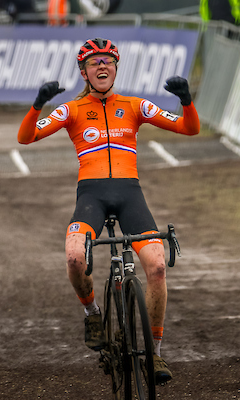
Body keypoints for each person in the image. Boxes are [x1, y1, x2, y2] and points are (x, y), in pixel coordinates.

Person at [17, 38, 200, 383]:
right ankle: (92, 312)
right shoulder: (70, 110)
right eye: (94, 62)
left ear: (116, 68)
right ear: (84, 72)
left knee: (158, 268)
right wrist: (38, 105)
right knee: (74, 257)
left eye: (108, 62)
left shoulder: (134, 106)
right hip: (91, 197)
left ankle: (155, 356)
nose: (102, 67)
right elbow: (26, 137)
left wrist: (186, 101)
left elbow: (189, 128)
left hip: (131, 195)